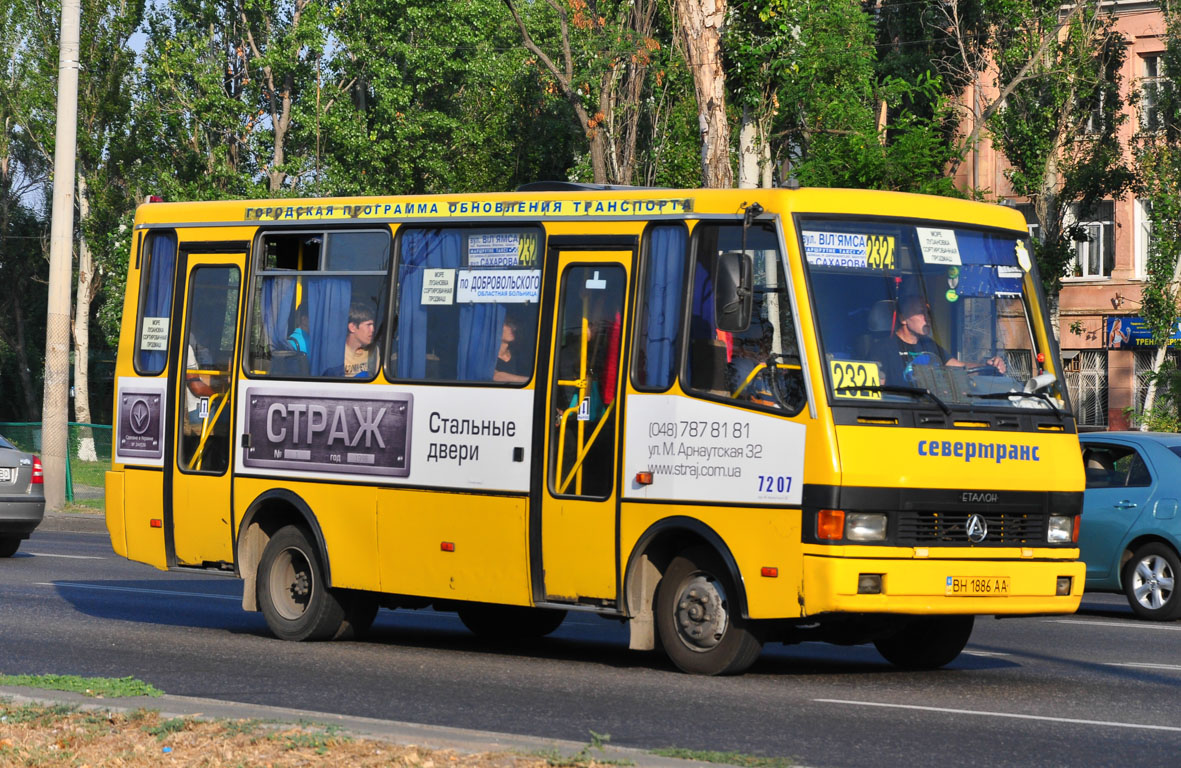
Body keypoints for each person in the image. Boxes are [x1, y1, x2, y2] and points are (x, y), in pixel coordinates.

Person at [891, 295, 1006, 380]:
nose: (928, 318)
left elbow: (959, 367)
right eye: (921, 312)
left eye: (928, 312)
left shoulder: (929, 345)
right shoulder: (885, 347)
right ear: (903, 319)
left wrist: (988, 368)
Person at [342, 302, 377, 377]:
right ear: (352, 327)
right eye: (368, 325)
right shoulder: (339, 354)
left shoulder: (373, 351)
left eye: (373, 325)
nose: (373, 329)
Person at [493, 316, 530, 383]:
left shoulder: (517, 355)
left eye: (513, 325)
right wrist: (529, 380)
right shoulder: (487, 357)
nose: (514, 328)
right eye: (507, 324)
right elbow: (495, 376)